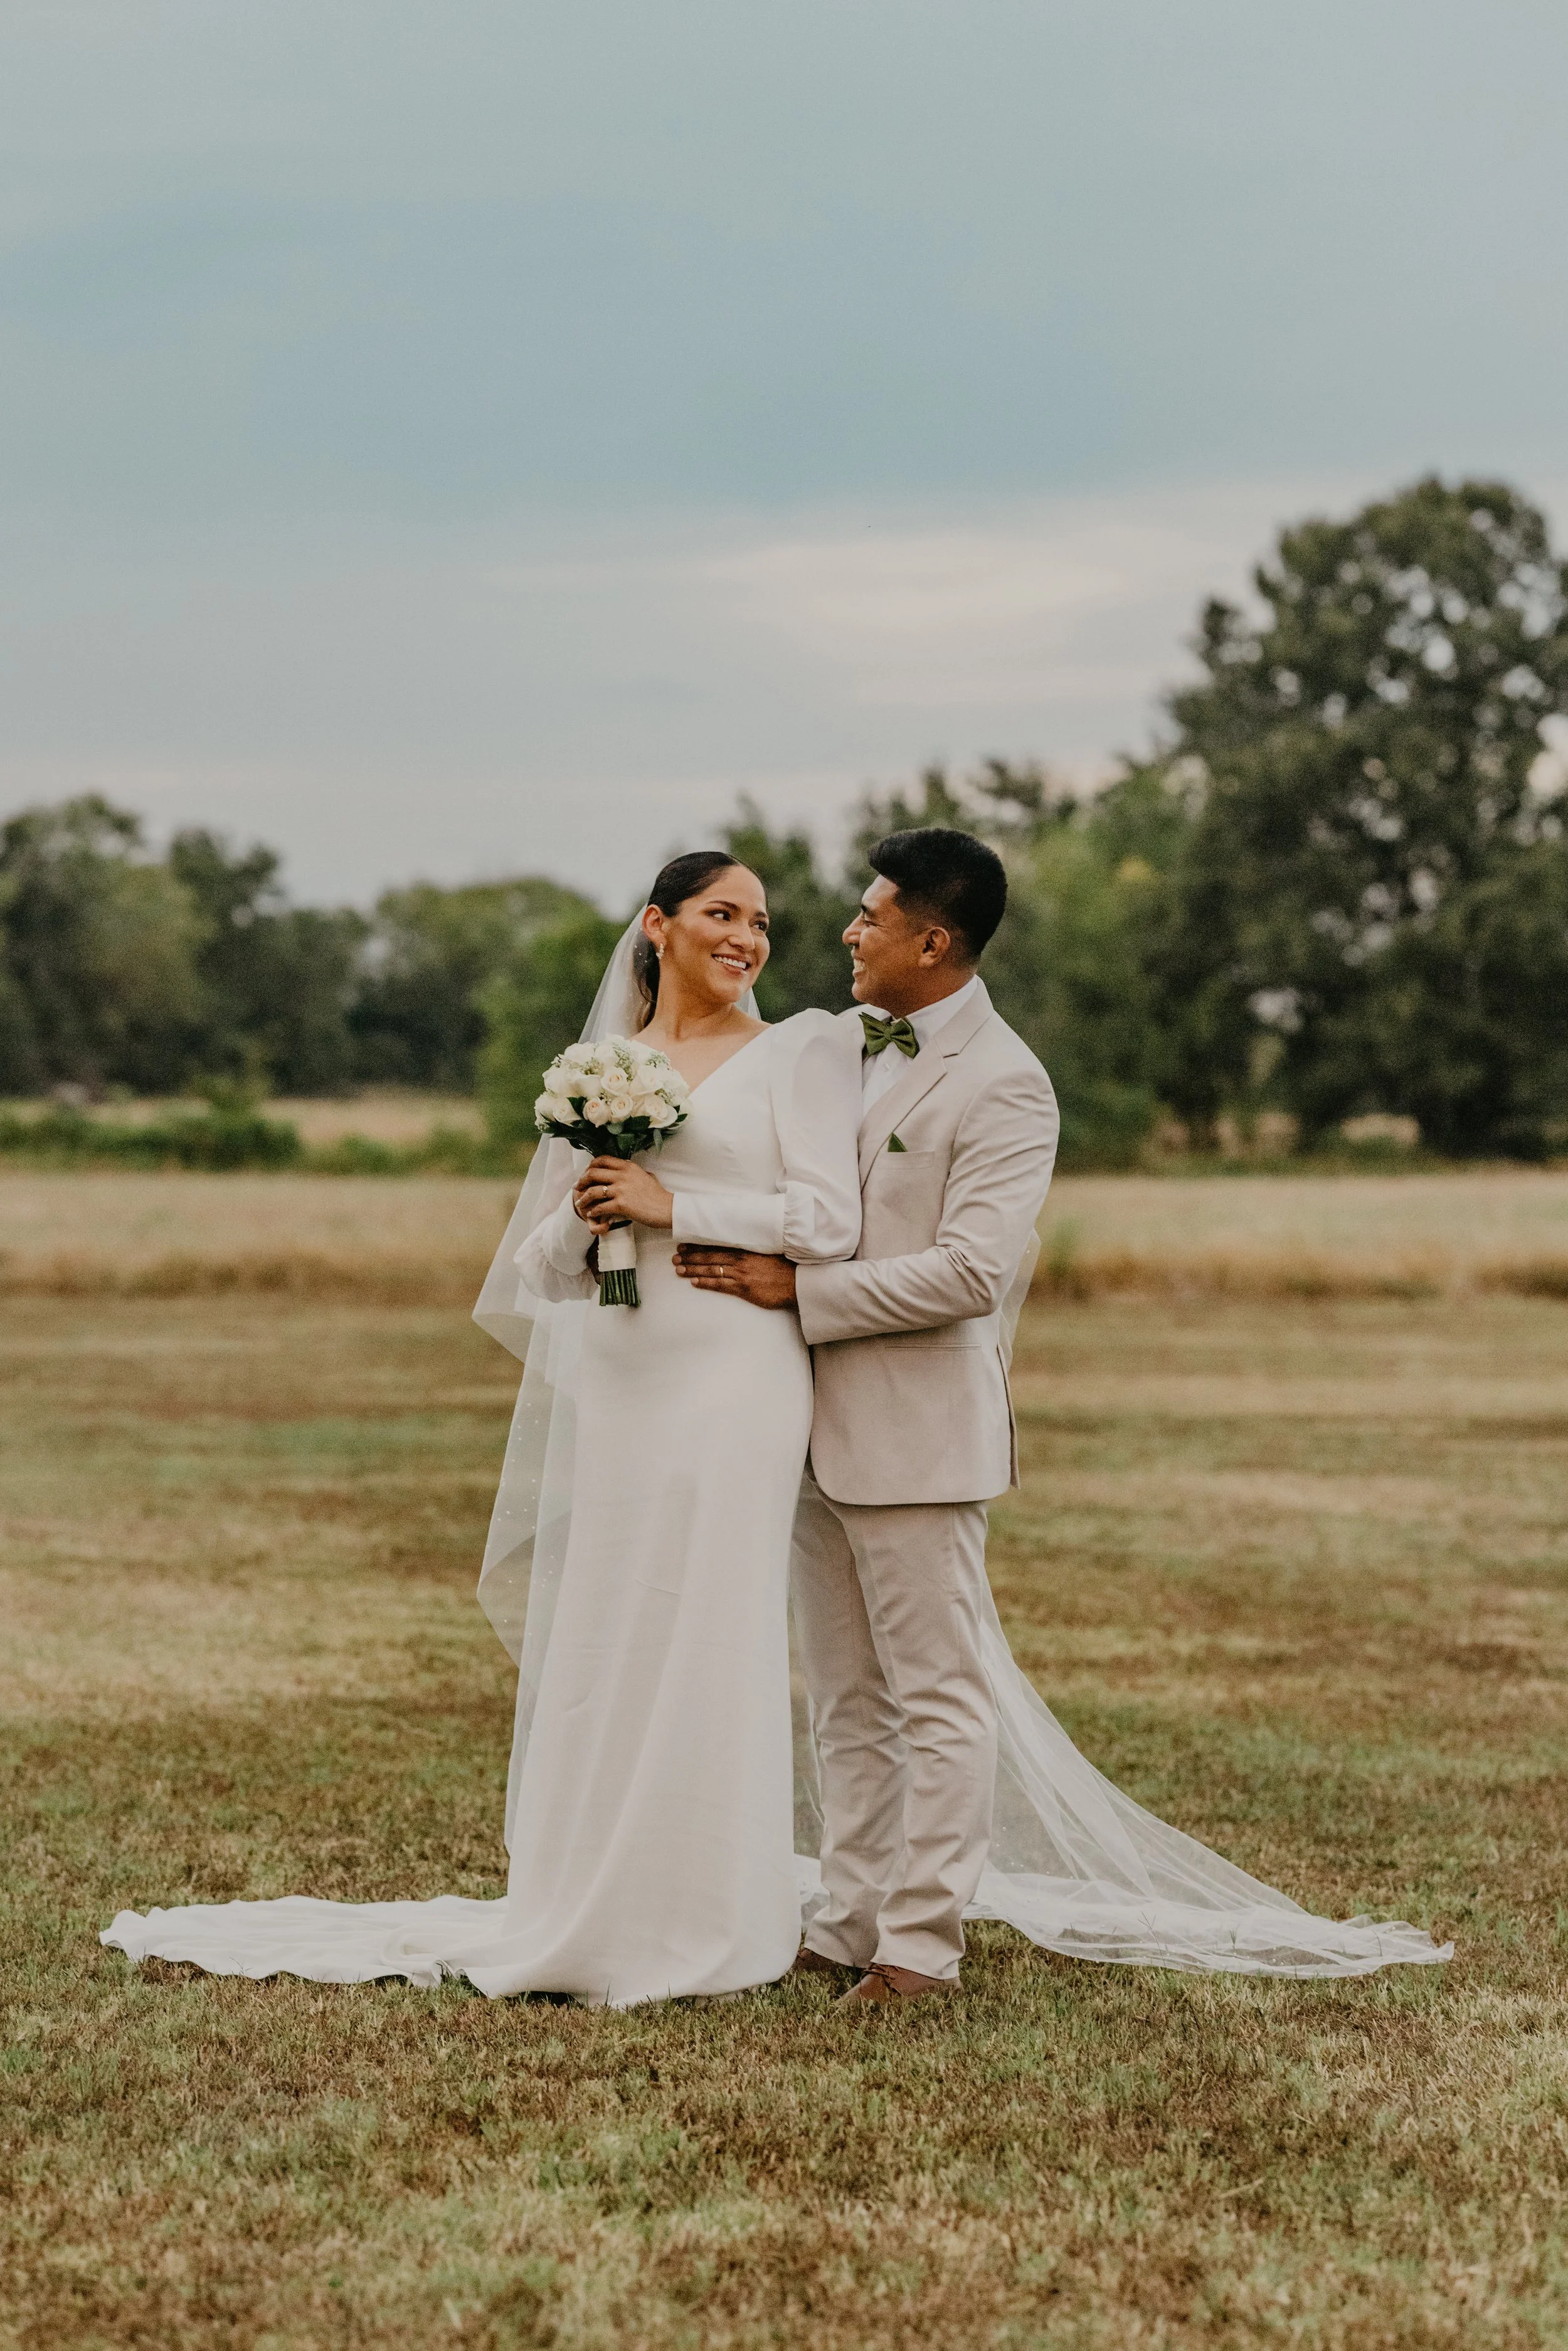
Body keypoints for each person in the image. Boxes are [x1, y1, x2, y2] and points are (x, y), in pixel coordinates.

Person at [675, 827, 1451, 2002]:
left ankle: (922, 1950)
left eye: (873, 915)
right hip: (804, 1426)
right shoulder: (831, 1050)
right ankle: (844, 1921)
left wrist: (804, 1291)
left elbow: (968, 1274)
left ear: (933, 942)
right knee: (842, 1699)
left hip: (918, 1435)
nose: (849, 930)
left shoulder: (1007, 1081)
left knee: (935, 1698)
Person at [102, 852, 863, 2007]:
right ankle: (588, 1896)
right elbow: (536, 1266)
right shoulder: (609, 1067)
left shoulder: (795, 1050)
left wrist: (678, 1204)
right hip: (622, 1372)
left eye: (762, 922)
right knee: (613, 1622)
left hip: (733, 1365)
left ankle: (709, 1909)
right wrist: (593, 1207)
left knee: (711, 1615)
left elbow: (827, 1216)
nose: (748, 939)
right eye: (721, 914)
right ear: (657, 926)